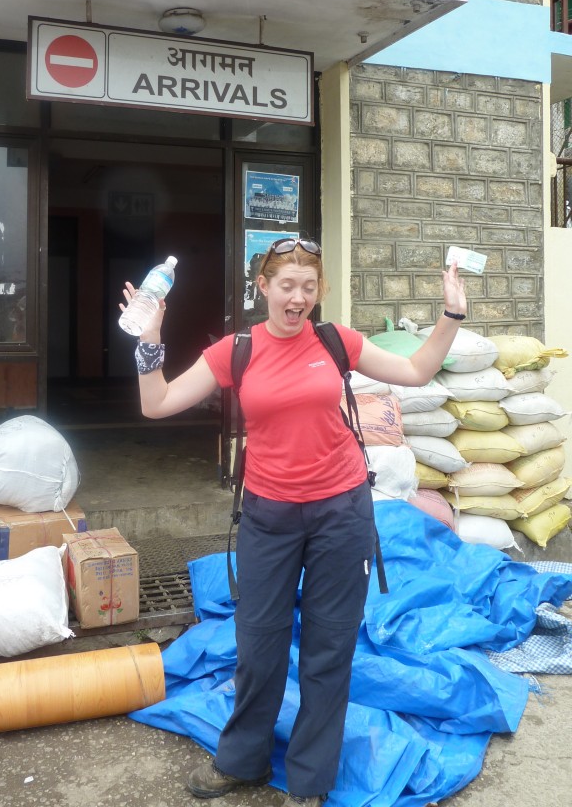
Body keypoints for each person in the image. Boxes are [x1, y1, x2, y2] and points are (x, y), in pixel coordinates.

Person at [121, 237, 466, 807]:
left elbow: (416, 369)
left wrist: (451, 313)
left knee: (330, 651)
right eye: (287, 286)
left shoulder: (336, 342)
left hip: (341, 513)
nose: (298, 298)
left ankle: (309, 781)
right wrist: (151, 340)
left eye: (309, 287)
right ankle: (242, 761)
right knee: (257, 645)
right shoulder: (236, 351)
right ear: (263, 287)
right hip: (267, 516)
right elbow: (156, 404)